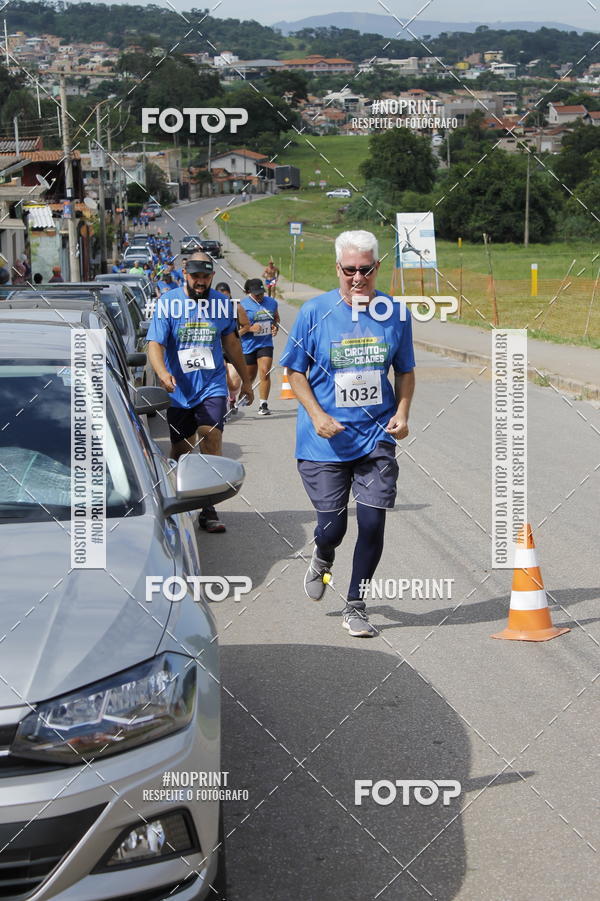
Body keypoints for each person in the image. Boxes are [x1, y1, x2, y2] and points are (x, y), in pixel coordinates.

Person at [280, 230, 415, 638]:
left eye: (366, 269)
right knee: (333, 529)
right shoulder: (313, 311)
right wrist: (317, 414)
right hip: (323, 441)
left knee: (373, 523)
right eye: (350, 269)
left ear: (377, 268)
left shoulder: (395, 312)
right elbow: (294, 371)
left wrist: (404, 413)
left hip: (376, 436)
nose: (358, 277)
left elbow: (404, 370)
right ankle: (322, 555)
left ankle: (356, 605)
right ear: (338, 268)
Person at [147, 253, 254, 533]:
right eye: (196, 276)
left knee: (210, 433)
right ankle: (177, 494)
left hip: (212, 385)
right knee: (182, 449)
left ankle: (208, 507)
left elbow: (231, 344)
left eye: (206, 277)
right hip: (180, 390)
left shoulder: (222, 305)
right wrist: (162, 373)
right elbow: (155, 344)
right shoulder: (168, 304)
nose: (201, 281)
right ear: (185, 274)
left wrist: (246, 381)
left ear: (212, 277)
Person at [239, 278, 279, 417]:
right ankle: (237, 401)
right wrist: (250, 328)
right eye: (257, 294)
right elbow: (236, 329)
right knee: (249, 377)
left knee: (265, 371)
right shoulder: (242, 306)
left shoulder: (272, 303)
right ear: (249, 292)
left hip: (265, 343)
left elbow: (275, 319)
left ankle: (263, 404)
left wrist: (275, 327)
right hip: (248, 345)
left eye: (261, 293)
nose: (260, 296)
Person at [215, 281, 251, 413]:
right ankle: (222, 402)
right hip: (217, 348)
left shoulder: (236, 307)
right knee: (222, 371)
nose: (224, 299)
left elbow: (246, 326)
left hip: (232, 347)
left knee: (234, 383)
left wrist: (234, 335)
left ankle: (232, 398)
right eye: (220, 296)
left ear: (230, 295)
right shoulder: (210, 308)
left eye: (226, 295)